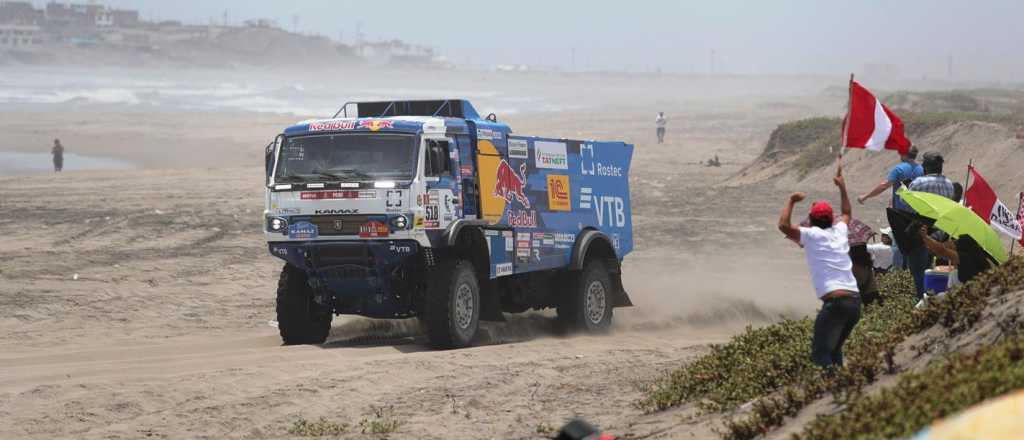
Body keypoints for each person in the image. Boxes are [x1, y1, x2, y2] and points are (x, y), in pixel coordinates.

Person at [778, 159, 860, 368]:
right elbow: (847, 213)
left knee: (820, 353)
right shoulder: (840, 231)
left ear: (812, 220)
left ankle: (832, 391)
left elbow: (783, 226)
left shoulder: (812, 235)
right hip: (854, 302)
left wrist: (791, 200)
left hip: (836, 303)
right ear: (832, 219)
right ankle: (845, 386)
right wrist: (842, 187)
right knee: (834, 349)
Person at [903, 152, 956, 297]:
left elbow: (907, 208)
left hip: (921, 235)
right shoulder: (949, 184)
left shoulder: (918, 183)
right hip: (942, 236)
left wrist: (907, 190)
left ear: (925, 167)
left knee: (920, 275)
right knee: (939, 274)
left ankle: (922, 305)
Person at [857, 146, 922, 210]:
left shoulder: (899, 169)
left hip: (901, 210)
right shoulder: (921, 169)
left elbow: (884, 186)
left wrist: (865, 196)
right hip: (916, 210)